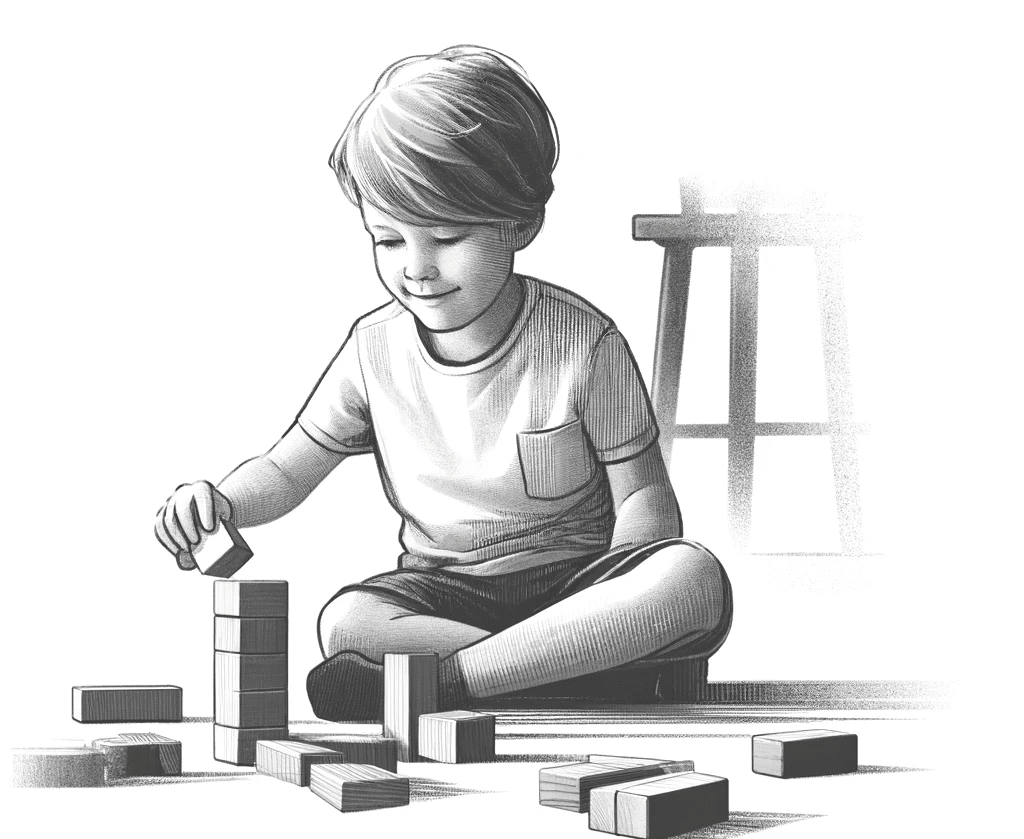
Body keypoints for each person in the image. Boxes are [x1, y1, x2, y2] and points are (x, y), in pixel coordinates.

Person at [154, 45, 732, 721]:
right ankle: (566, 669)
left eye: (448, 236)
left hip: (574, 587)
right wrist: (220, 501)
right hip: (444, 593)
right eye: (389, 241)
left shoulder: (583, 342)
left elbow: (643, 494)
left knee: (691, 578)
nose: (418, 269)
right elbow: (287, 469)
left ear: (521, 225)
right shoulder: (373, 351)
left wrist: (617, 597)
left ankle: (460, 681)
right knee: (348, 621)